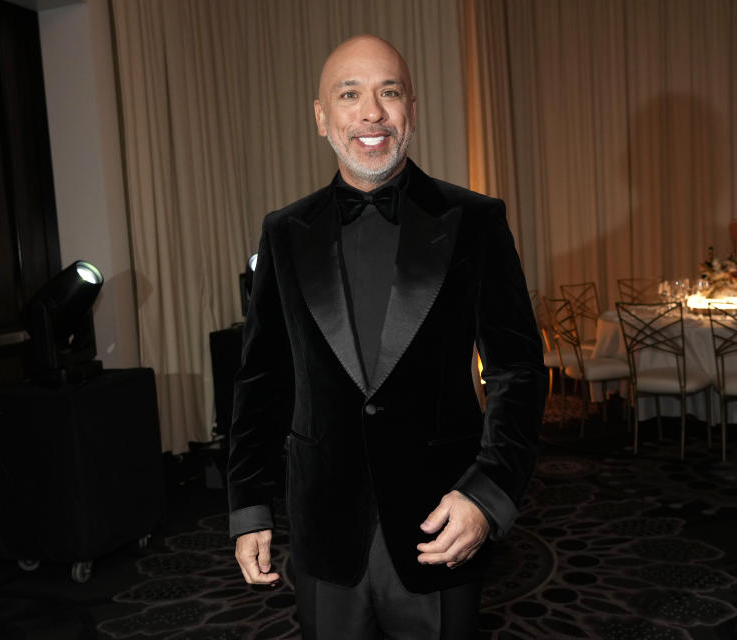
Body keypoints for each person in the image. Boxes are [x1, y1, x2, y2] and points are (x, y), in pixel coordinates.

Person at [226, 34, 545, 639]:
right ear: (322, 117)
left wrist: (488, 494)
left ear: (412, 111)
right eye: (350, 95)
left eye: (388, 92)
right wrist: (249, 507)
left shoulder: (476, 221)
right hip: (323, 529)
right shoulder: (283, 233)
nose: (372, 112)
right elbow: (261, 378)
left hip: (441, 524)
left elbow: (518, 371)